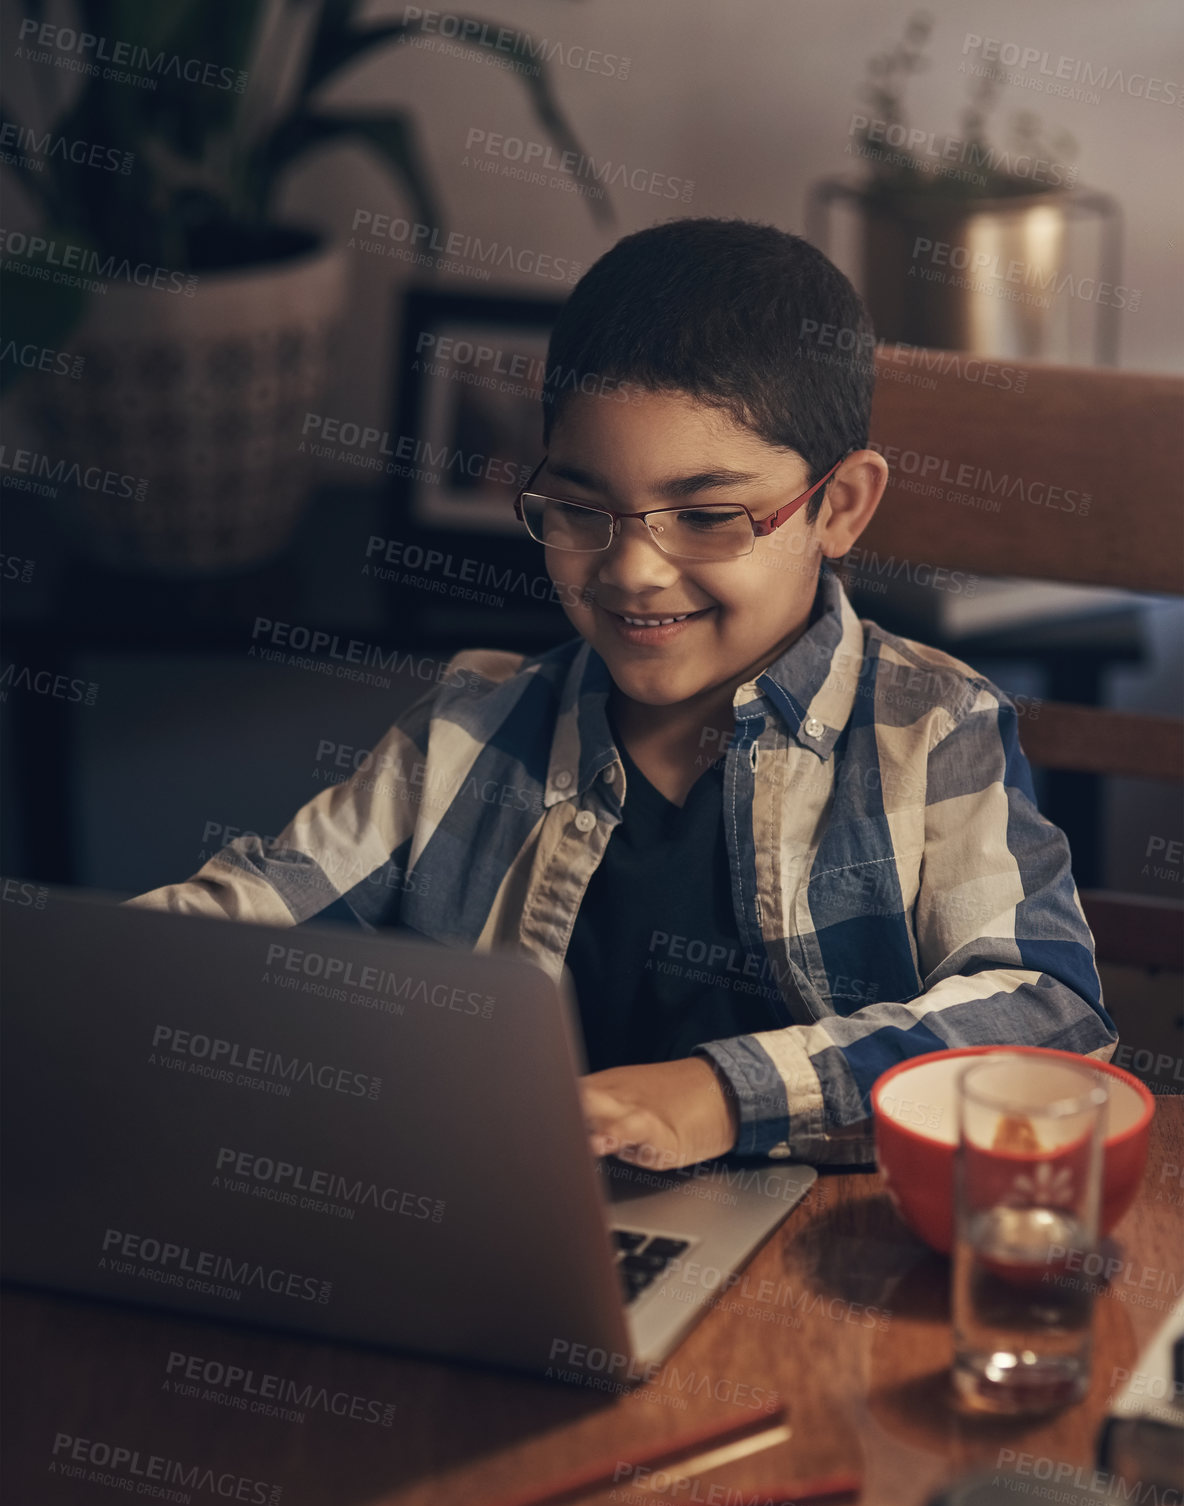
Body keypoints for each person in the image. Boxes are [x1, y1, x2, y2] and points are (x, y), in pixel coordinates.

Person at [130, 217, 1117, 1170]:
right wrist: (96, 971)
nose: (634, 569)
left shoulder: (929, 727)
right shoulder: (471, 731)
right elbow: (254, 914)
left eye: (703, 514)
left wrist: (717, 1093)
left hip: (820, 1260)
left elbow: (1046, 1020)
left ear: (838, 506)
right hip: (525, 1241)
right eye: (579, 508)